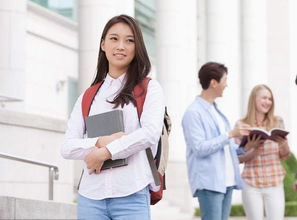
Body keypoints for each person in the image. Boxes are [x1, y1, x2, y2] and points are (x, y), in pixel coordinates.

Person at [61, 14, 164, 220]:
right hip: (91, 197)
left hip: (131, 194)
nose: (121, 46)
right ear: (103, 44)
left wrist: (106, 152)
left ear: (137, 47)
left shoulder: (148, 88)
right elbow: (67, 147)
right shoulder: (88, 96)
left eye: (129, 40)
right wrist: (100, 141)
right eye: (114, 39)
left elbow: (149, 134)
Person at [182, 62, 250, 220]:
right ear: (213, 82)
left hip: (226, 181)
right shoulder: (193, 113)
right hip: (209, 182)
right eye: (225, 80)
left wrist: (245, 146)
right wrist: (229, 134)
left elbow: (225, 147)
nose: (226, 85)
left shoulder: (216, 111)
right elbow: (199, 148)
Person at [236, 84, 290, 220]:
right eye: (264, 98)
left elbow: (285, 156)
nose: (268, 102)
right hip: (251, 183)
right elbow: (236, 158)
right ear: (254, 99)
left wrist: (284, 145)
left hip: (274, 182)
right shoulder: (241, 125)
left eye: (270, 99)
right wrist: (252, 149)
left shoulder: (277, 121)